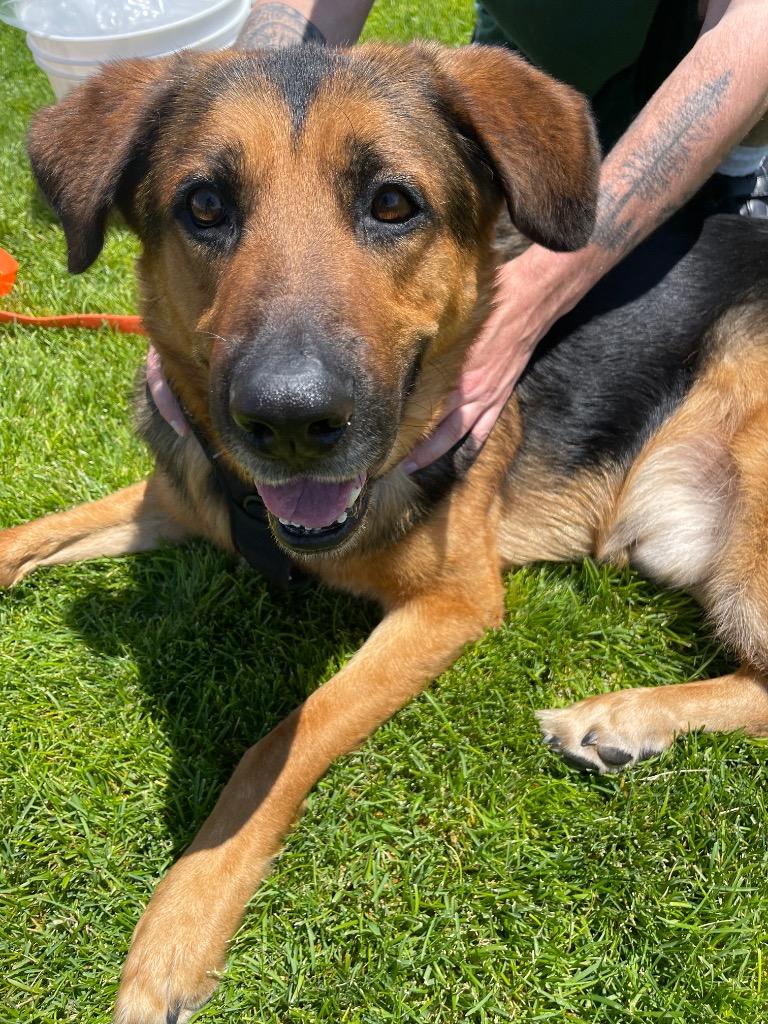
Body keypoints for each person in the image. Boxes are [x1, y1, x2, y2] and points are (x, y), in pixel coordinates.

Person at [231, 0, 768, 471]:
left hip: (705, 87)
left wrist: (532, 297)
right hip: (527, 79)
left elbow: (753, 26)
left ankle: (735, 177)